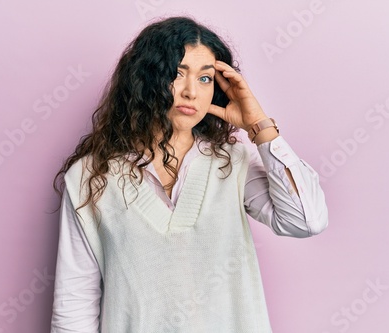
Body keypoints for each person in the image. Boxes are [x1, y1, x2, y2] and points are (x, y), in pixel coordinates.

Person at [50, 16, 328, 333]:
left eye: (205, 79)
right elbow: (74, 305)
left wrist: (259, 126)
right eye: (176, 74)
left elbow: (306, 221)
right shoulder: (90, 177)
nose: (191, 92)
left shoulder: (233, 160)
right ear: (147, 79)